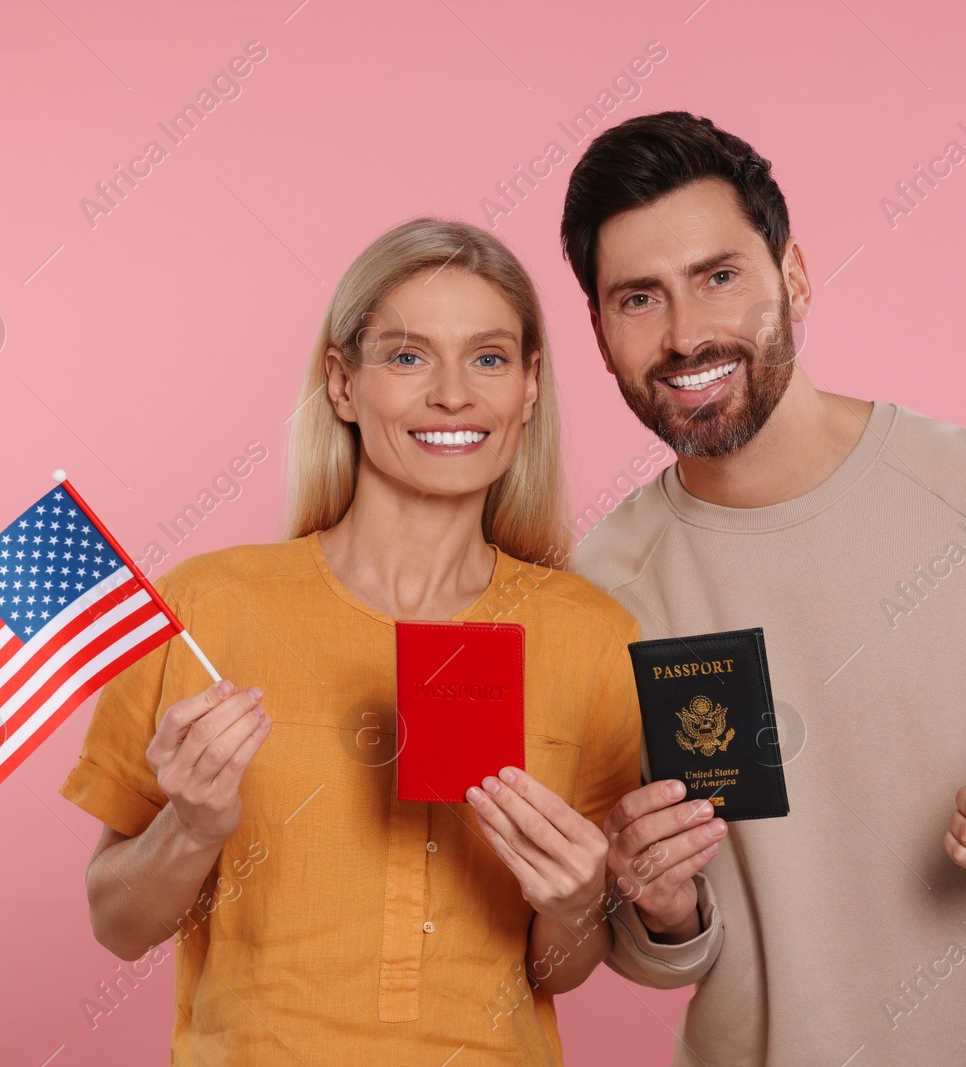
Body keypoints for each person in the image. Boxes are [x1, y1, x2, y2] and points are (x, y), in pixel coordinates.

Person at [570, 113, 966, 1066]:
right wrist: (662, 907)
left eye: (720, 276)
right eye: (639, 298)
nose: (687, 332)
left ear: (795, 275)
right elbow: (651, 941)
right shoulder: (599, 593)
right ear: (600, 329)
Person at [58, 218, 652, 1065]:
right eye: (407, 357)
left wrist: (574, 897)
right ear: (341, 383)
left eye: (488, 358)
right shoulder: (208, 604)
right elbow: (116, 927)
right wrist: (190, 826)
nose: (453, 394)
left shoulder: (593, 635)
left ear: (528, 388)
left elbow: (559, 968)